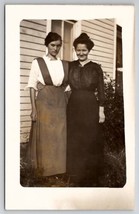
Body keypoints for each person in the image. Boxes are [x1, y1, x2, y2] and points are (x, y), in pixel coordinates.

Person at [26, 32, 69, 177]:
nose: (55, 49)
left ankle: (59, 170)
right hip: (44, 102)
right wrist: (33, 109)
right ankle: (44, 171)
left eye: (58, 46)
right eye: (52, 45)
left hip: (59, 101)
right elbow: (32, 85)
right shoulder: (37, 62)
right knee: (45, 136)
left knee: (59, 134)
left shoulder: (64, 64)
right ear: (47, 45)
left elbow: (67, 86)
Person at [66, 33, 105, 187]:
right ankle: (75, 175)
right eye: (78, 50)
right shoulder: (71, 65)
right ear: (75, 50)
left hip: (90, 106)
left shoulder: (96, 68)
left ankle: (91, 176)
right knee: (75, 139)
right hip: (74, 105)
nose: (81, 53)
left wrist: (101, 111)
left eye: (84, 50)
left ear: (89, 50)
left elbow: (101, 90)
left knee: (90, 140)